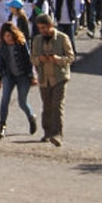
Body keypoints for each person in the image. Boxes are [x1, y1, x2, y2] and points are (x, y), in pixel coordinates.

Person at [30, 14, 75, 147]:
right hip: (44, 78)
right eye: (39, 28)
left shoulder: (62, 38)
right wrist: (40, 60)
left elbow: (71, 57)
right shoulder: (37, 40)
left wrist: (57, 59)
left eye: (44, 28)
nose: (42, 31)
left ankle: (57, 134)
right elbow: (32, 58)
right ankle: (47, 132)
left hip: (59, 77)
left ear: (51, 26)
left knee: (57, 105)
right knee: (47, 105)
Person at [0, 23, 37, 139]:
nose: (8, 38)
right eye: (5, 36)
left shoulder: (21, 44)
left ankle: (31, 117)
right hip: (9, 75)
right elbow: (1, 62)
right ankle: (2, 126)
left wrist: (32, 76)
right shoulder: (1, 45)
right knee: (5, 100)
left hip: (23, 75)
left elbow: (28, 61)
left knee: (22, 101)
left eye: (9, 35)